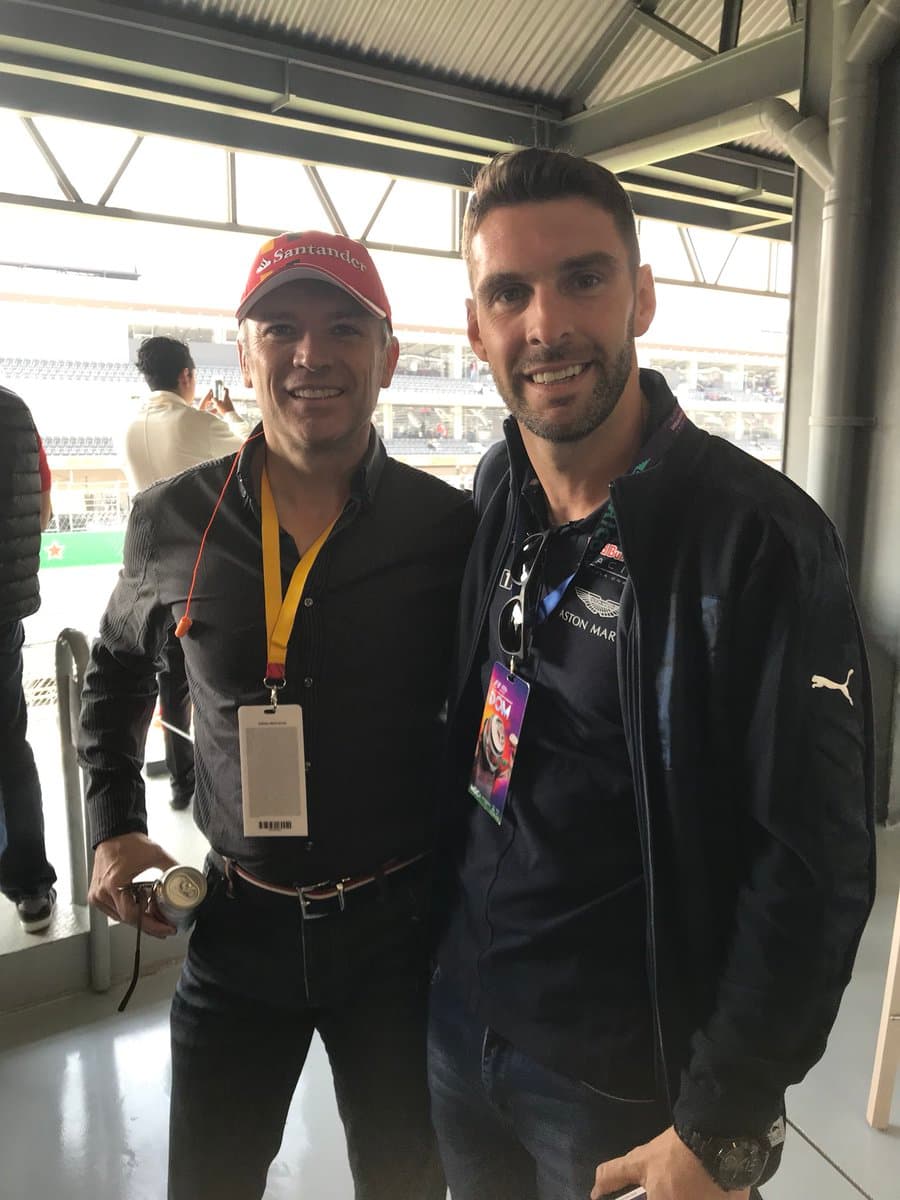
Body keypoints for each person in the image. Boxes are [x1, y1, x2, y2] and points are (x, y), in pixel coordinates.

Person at [428, 148, 875, 1200]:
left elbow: (813, 865)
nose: (547, 324)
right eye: (510, 292)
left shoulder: (755, 542)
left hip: (630, 1076)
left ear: (643, 296)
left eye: (583, 278)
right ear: (476, 325)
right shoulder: (501, 491)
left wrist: (724, 1120)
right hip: (463, 1022)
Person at [79, 230, 472, 1200]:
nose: (312, 354)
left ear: (387, 354)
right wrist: (115, 829)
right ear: (242, 352)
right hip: (234, 930)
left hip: (401, 936)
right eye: (281, 328)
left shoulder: (449, 528)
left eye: (344, 327)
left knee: (408, 1184)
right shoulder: (171, 519)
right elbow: (119, 673)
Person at [121, 335, 249, 810]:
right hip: (199, 573)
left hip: (146, 569)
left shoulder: (128, 426)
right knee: (211, 682)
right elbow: (256, 442)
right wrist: (229, 413)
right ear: (187, 377)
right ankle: (216, 784)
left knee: (167, 686)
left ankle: (180, 784)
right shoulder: (196, 423)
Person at [0, 385, 57, 931]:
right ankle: (31, 889)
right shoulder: (14, 409)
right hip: (2, 612)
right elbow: (41, 510)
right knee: (11, 751)